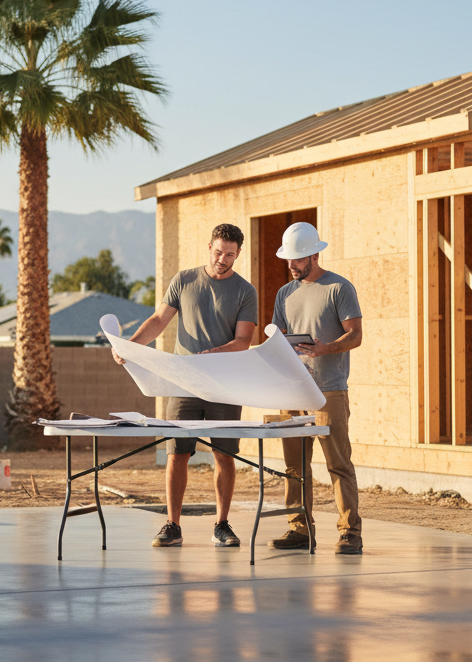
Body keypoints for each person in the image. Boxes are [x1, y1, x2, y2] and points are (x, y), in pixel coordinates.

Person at [113, 223, 257, 548]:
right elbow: (158, 321)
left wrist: (214, 355)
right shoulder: (184, 280)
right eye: (218, 252)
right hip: (183, 384)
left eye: (230, 255)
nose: (222, 259)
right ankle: (172, 525)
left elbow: (243, 341)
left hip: (224, 385)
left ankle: (222, 525)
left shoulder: (245, 291)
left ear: (238, 254)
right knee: (177, 453)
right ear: (209, 247)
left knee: (224, 454)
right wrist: (130, 347)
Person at [268, 221, 364, 555]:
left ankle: (350, 532)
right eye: (288, 260)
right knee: (294, 466)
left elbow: (356, 335)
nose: (292, 265)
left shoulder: (339, 288)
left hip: (329, 391)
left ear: (314, 255)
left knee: (338, 463)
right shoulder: (285, 293)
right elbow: (278, 337)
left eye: (297, 259)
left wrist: (324, 349)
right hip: (292, 391)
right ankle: (299, 529)